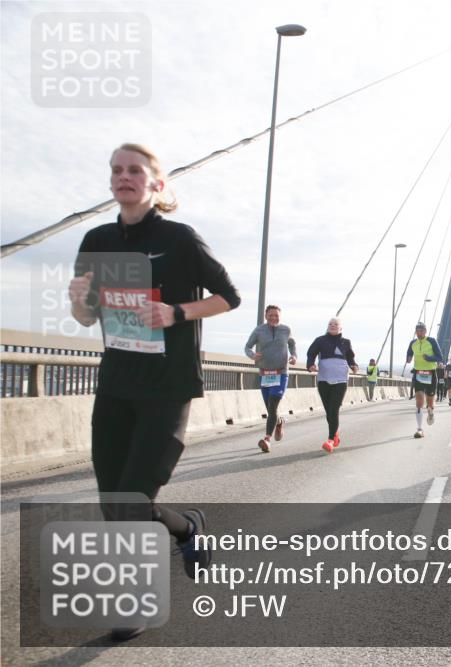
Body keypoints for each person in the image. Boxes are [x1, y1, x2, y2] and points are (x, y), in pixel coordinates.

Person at [69, 143, 241, 641]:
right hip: (117, 384)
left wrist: (176, 313)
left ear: (156, 184)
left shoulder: (180, 239)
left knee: (132, 497)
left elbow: (228, 296)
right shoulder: (96, 239)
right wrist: (80, 303)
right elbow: (87, 315)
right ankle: (186, 527)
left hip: (167, 387)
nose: (124, 177)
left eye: (135, 170)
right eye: (117, 170)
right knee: (113, 502)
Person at [244, 305, 297, 453]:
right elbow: (247, 347)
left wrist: (294, 355)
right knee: (270, 409)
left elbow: (292, 344)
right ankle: (279, 421)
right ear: (266, 316)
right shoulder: (259, 330)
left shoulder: (286, 330)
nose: (274, 318)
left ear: (280, 316)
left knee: (273, 404)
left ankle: (267, 439)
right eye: (271, 315)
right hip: (265, 374)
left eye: (276, 315)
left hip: (281, 372)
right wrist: (252, 355)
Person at [306, 318, 358, 452]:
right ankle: (335, 434)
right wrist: (310, 365)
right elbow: (311, 354)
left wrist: (354, 365)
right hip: (324, 379)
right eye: (330, 324)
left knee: (334, 409)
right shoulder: (320, 340)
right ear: (327, 327)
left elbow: (350, 357)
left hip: (341, 380)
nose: (333, 326)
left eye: (336, 324)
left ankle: (330, 440)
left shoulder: (345, 342)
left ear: (341, 328)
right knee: (329, 411)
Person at [405, 322, 443, 438]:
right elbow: (409, 354)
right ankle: (419, 429)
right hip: (418, 374)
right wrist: (408, 358)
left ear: (425, 331)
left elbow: (440, 357)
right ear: (415, 332)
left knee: (430, 402)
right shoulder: (413, 343)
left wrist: (429, 358)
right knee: (419, 402)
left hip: (431, 374)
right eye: (417, 331)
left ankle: (430, 412)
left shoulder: (431, 341)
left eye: (421, 331)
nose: (419, 333)